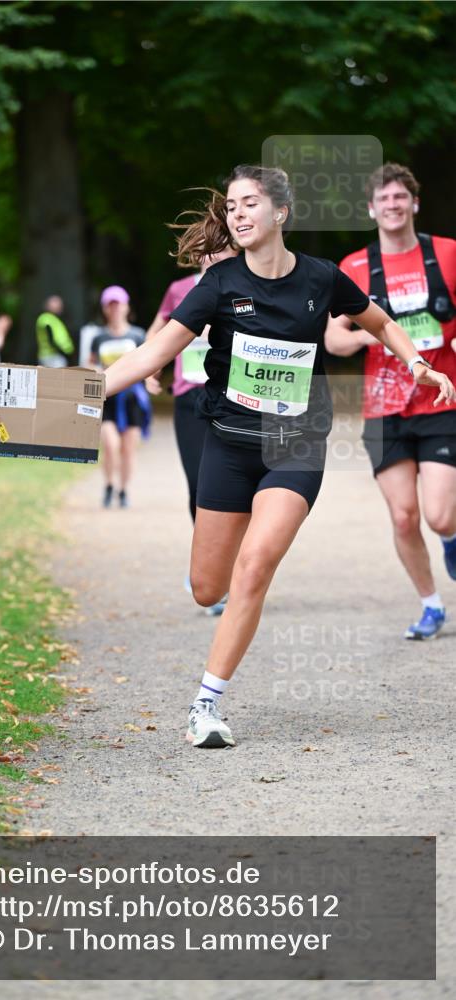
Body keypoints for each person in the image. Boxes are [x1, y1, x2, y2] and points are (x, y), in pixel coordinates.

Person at [102, 165, 454, 749]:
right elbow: (150, 355)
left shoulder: (322, 277)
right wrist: (84, 392)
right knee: (207, 588)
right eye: (231, 206)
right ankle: (222, 603)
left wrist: (416, 362)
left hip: (296, 446)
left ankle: (205, 704)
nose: (238, 214)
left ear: (280, 212)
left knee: (255, 565)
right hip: (228, 445)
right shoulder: (218, 284)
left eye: (250, 203)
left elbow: (379, 322)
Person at [325, 163, 456, 640]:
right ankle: (430, 605)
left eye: (401, 197)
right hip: (383, 410)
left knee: (439, 515)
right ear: (371, 209)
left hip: (441, 403)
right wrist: (374, 336)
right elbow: (333, 339)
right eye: (384, 199)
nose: (393, 205)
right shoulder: (354, 267)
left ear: (414, 203)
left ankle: (451, 538)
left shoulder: (448, 253)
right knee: (403, 517)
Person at [145, 247, 236, 616]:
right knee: (198, 486)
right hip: (190, 396)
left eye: (221, 249)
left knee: (235, 487)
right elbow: (158, 330)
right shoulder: (180, 289)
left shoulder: (245, 286)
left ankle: (233, 569)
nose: (212, 256)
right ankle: (209, 565)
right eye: (206, 250)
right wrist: (152, 368)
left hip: (233, 396)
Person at [89, 286, 151, 508]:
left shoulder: (138, 335)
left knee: (128, 449)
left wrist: (150, 380)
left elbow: (148, 364)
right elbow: (91, 364)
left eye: (118, 305)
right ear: (105, 309)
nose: (115, 309)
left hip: (133, 399)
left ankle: (123, 490)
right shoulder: (99, 337)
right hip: (107, 399)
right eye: (110, 305)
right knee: (110, 445)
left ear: (126, 307)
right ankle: (108, 485)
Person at [36, 295, 75, 367]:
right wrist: (60, 351)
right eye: (56, 303)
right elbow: (50, 336)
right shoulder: (46, 318)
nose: (60, 306)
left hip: (57, 355)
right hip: (52, 356)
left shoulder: (54, 318)